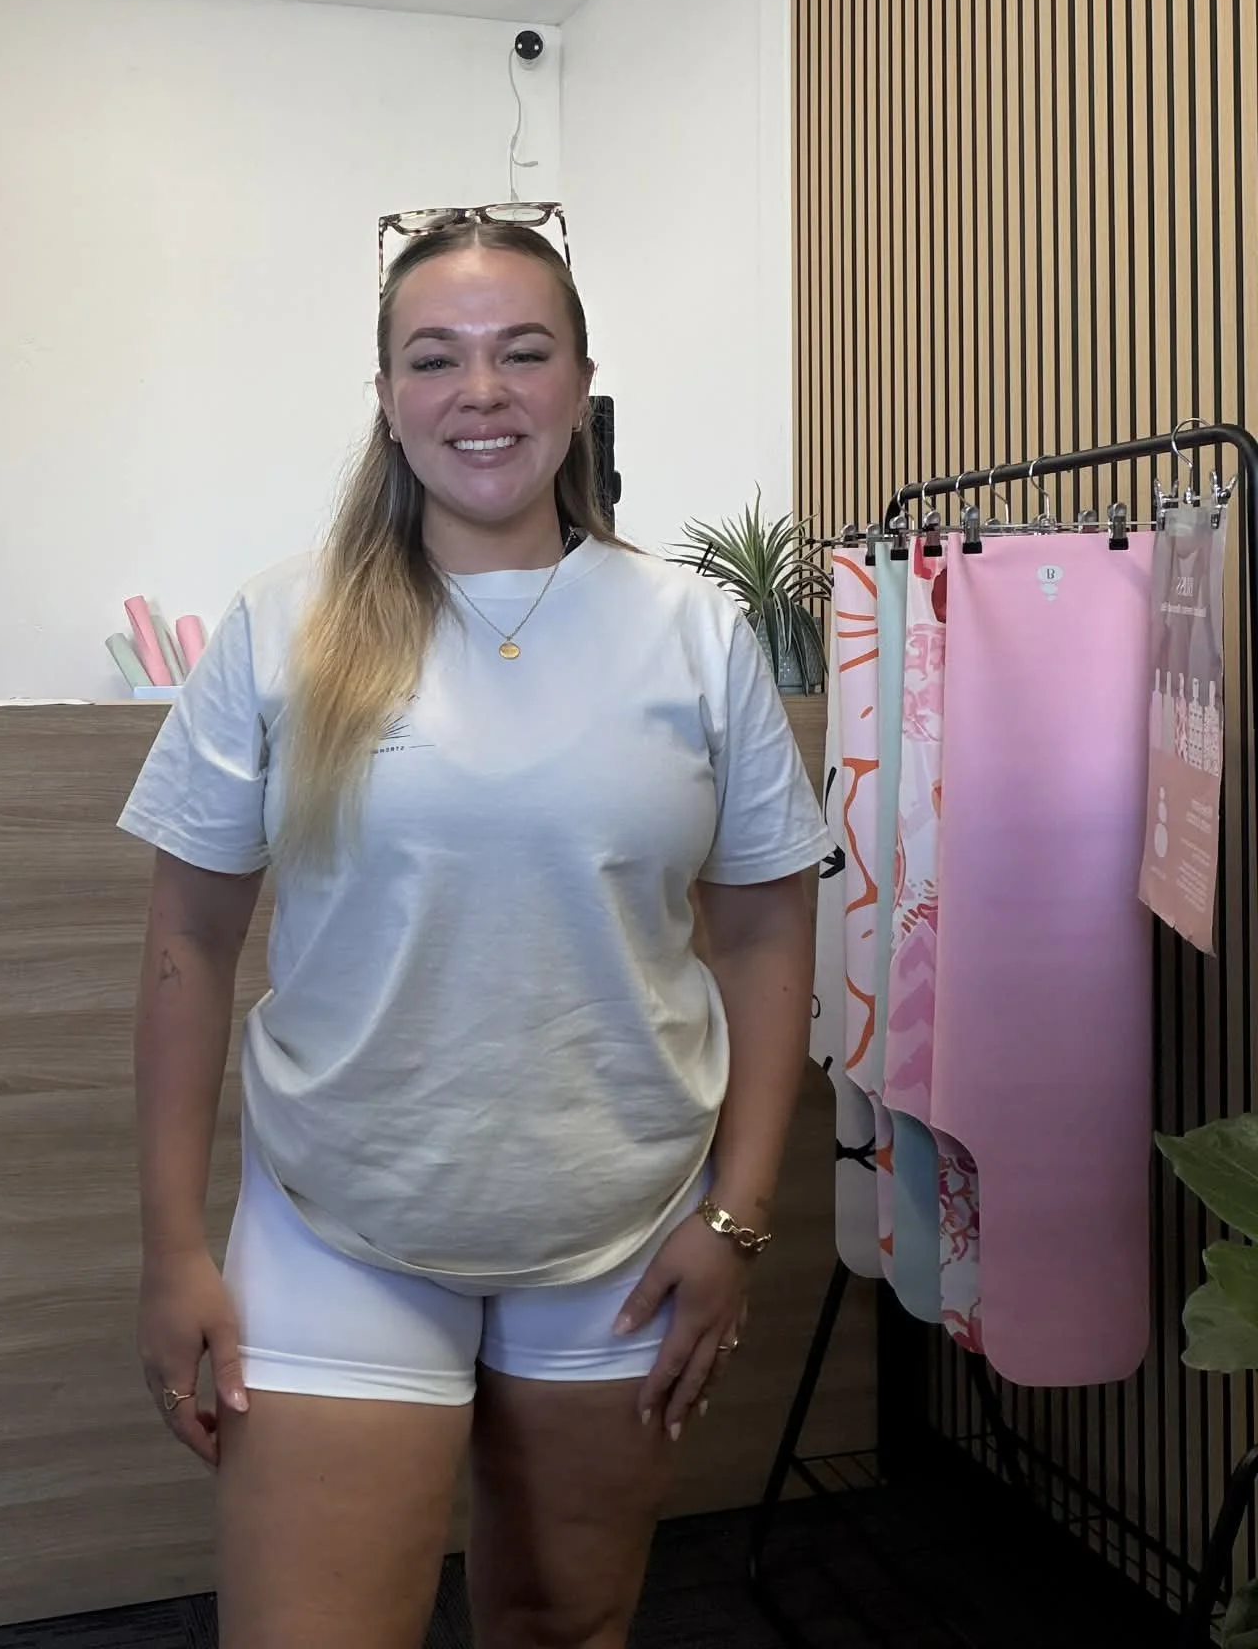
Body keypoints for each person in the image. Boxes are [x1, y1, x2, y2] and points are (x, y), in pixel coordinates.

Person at [120, 208, 831, 1649]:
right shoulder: (284, 622)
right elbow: (189, 939)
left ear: (580, 385)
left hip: (625, 1229)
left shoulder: (692, 631)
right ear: (388, 398)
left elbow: (766, 933)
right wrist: (173, 1248)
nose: (481, 392)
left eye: (523, 351)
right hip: (338, 1227)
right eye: (435, 358)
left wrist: (737, 1219)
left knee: (565, 1621)